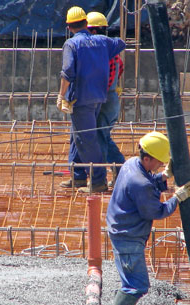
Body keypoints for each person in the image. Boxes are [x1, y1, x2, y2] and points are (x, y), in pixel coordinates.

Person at [106, 131, 190, 305]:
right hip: (127, 237)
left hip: (122, 229)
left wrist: (163, 177)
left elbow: (147, 184)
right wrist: (177, 198)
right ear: (146, 158)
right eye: (159, 163)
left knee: (131, 282)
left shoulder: (131, 164)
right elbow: (156, 211)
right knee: (137, 286)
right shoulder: (139, 183)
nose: (161, 166)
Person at [57, 6, 125, 193]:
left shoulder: (71, 44)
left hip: (80, 99)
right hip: (97, 98)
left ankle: (98, 181)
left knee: (86, 139)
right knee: (77, 137)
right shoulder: (101, 41)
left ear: (69, 27)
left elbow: (67, 73)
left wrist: (61, 95)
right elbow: (120, 43)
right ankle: (78, 176)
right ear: (86, 24)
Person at [86, 11, 126, 187]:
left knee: (101, 138)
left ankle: (106, 176)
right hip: (110, 98)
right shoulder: (110, 50)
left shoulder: (104, 53)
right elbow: (121, 69)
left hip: (106, 100)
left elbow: (106, 79)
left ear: (93, 32)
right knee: (103, 136)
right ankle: (120, 171)